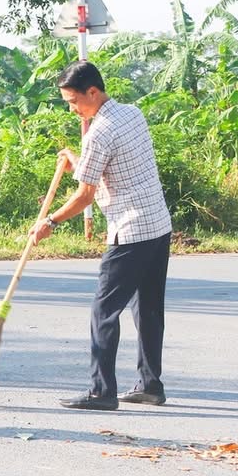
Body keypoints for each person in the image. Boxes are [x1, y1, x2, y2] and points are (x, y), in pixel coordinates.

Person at [30, 61, 173, 411]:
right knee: (148, 310)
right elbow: (111, 166)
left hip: (130, 231)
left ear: (93, 92)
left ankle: (101, 392)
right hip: (157, 225)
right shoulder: (132, 114)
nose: (72, 109)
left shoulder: (99, 132)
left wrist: (50, 222)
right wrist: (75, 159)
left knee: (104, 311)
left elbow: (85, 195)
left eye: (73, 101)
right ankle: (150, 386)